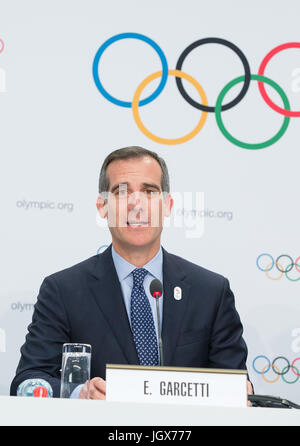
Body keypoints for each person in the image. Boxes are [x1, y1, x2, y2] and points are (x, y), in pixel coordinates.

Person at [10, 146, 252, 399]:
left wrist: (239, 392)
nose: (136, 204)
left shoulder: (210, 292)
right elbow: (27, 381)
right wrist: (78, 393)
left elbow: (237, 386)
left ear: (167, 205)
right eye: (122, 192)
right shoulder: (63, 290)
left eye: (149, 191)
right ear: (102, 206)